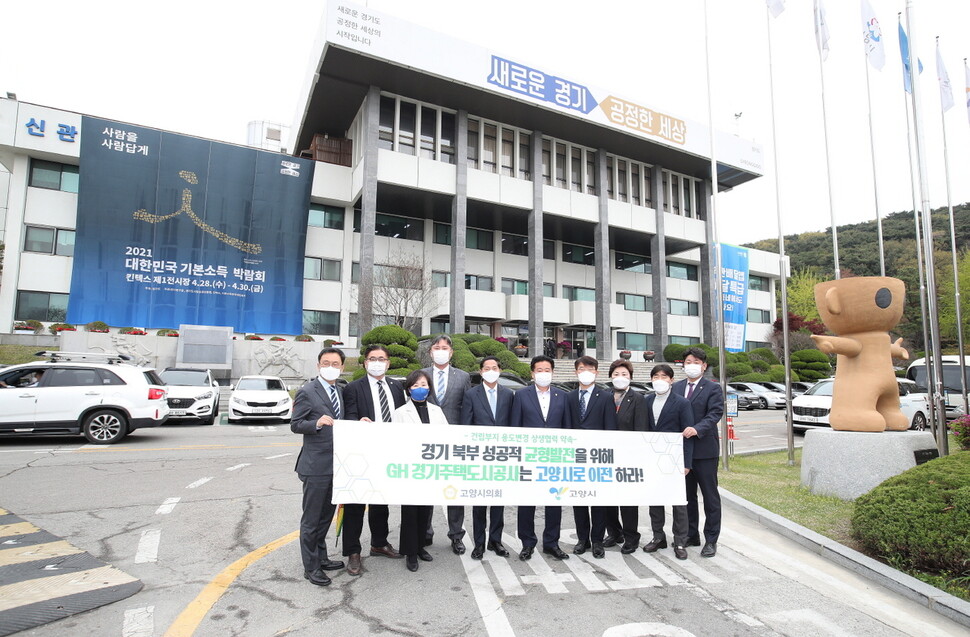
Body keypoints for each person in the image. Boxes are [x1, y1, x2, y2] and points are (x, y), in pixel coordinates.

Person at [341, 344, 407, 575]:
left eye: (381, 358)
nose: (377, 362)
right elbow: (348, 417)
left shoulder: (396, 387)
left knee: (381, 503)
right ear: (365, 363)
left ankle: (379, 543)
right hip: (361, 455)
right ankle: (353, 552)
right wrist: (358, 423)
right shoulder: (353, 388)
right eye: (372, 358)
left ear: (388, 363)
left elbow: (402, 416)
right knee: (355, 506)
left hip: (388, 453)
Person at [290, 348, 347, 586]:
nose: (330, 366)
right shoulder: (307, 392)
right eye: (326, 363)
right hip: (315, 466)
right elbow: (296, 424)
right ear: (318, 366)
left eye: (335, 363)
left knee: (326, 517)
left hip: (336, 465)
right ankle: (311, 567)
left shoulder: (340, 390)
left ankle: (322, 557)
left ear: (341, 367)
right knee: (312, 519)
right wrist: (316, 423)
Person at [509, 355, 572, 561]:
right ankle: (527, 543)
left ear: (552, 372)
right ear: (532, 373)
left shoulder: (562, 396)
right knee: (526, 502)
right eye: (539, 370)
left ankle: (551, 543)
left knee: (554, 500)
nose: (543, 374)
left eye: (547, 370)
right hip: (528, 458)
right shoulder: (521, 395)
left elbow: (568, 428)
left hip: (555, 458)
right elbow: (515, 427)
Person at [671, 346, 724, 558]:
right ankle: (691, 534)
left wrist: (697, 428)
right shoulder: (675, 387)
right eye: (688, 362)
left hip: (704, 450)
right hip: (683, 452)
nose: (691, 366)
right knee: (687, 497)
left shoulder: (712, 388)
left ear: (704, 366)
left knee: (710, 497)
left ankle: (711, 539)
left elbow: (715, 413)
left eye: (696, 362)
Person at [459, 355, 513, 560]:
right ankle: (479, 543)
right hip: (479, 457)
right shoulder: (472, 394)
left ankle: (496, 541)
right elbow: (466, 425)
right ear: (481, 371)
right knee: (480, 503)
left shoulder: (509, 394)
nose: (491, 370)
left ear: (499, 370)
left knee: (499, 502)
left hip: (501, 457)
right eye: (487, 368)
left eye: (494, 367)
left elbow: (513, 425)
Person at [422, 334, 471, 553]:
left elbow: (467, 408)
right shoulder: (421, 375)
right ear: (430, 352)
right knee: (427, 490)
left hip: (455, 443)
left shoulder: (463, 376)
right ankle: (425, 532)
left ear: (451, 352)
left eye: (445, 347)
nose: (440, 350)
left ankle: (456, 535)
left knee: (454, 491)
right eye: (436, 347)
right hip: (427, 442)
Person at [392, 370, 446, 572]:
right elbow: (395, 440)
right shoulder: (400, 413)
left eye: (423, 384)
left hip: (430, 469)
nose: (420, 388)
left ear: (429, 388)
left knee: (425, 510)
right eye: (415, 386)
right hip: (410, 468)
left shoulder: (436, 411)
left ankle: (421, 546)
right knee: (410, 512)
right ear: (408, 390)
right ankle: (410, 552)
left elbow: (446, 437)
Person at [642, 363, 694, 560]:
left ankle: (680, 541)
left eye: (664, 376)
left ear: (671, 380)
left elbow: (687, 434)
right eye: (656, 376)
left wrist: (686, 463)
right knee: (655, 500)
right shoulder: (646, 400)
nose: (660, 380)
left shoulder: (682, 403)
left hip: (674, 459)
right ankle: (658, 537)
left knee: (677, 502)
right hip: (652, 458)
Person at [566, 356, 616, 558]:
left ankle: (597, 540)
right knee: (579, 501)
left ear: (596, 372)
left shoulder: (605, 397)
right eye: (581, 368)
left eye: (589, 368)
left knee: (598, 501)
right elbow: (567, 426)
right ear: (576, 372)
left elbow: (610, 427)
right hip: (576, 457)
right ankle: (582, 539)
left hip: (598, 457)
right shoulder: (569, 397)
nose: (585, 371)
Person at [605, 359, 648, 554]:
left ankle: (631, 536)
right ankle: (614, 532)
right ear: (610, 376)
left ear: (630, 377)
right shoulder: (604, 395)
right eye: (616, 374)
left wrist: (637, 456)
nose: (620, 378)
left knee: (628, 500)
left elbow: (641, 429)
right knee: (608, 499)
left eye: (624, 374)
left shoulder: (638, 399)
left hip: (628, 456)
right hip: (605, 456)